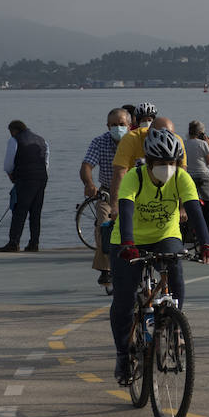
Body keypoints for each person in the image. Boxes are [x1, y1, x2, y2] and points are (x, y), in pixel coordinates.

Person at [112, 128, 209, 383]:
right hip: (129, 238)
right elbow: (125, 210)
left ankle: (174, 325)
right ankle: (123, 354)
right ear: (149, 161)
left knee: (176, 274)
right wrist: (128, 243)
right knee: (124, 300)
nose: (168, 168)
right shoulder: (134, 177)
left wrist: (206, 244)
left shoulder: (181, 177)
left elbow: (194, 211)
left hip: (165, 235)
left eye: (172, 163)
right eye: (161, 163)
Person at [79, 107, 130, 286]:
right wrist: (89, 184)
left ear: (129, 125)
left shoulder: (136, 141)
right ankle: (105, 270)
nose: (118, 128)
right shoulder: (100, 142)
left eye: (121, 124)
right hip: (107, 193)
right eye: (113, 125)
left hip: (133, 192)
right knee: (104, 226)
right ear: (108, 126)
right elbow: (86, 165)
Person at [110, 103, 186, 204]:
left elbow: (182, 174)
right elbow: (119, 173)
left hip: (166, 192)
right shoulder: (131, 139)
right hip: (136, 191)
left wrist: (182, 206)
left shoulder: (177, 141)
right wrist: (115, 205)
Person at [0, 120, 49, 253]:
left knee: (19, 211)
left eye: (10, 132)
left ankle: (13, 243)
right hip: (41, 178)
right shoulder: (41, 140)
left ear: (14, 130)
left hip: (25, 179)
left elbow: (8, 163)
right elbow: (46, 161)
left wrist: (12, 176)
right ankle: (34, 243)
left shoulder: (14, 140)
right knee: (36, 212)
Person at [185, 120, 209, 239]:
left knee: (189, 204)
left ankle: (187, 234)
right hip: (204, 177)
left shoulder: (183, 143)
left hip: (188, 177)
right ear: (201, 133)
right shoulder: (203, 144)